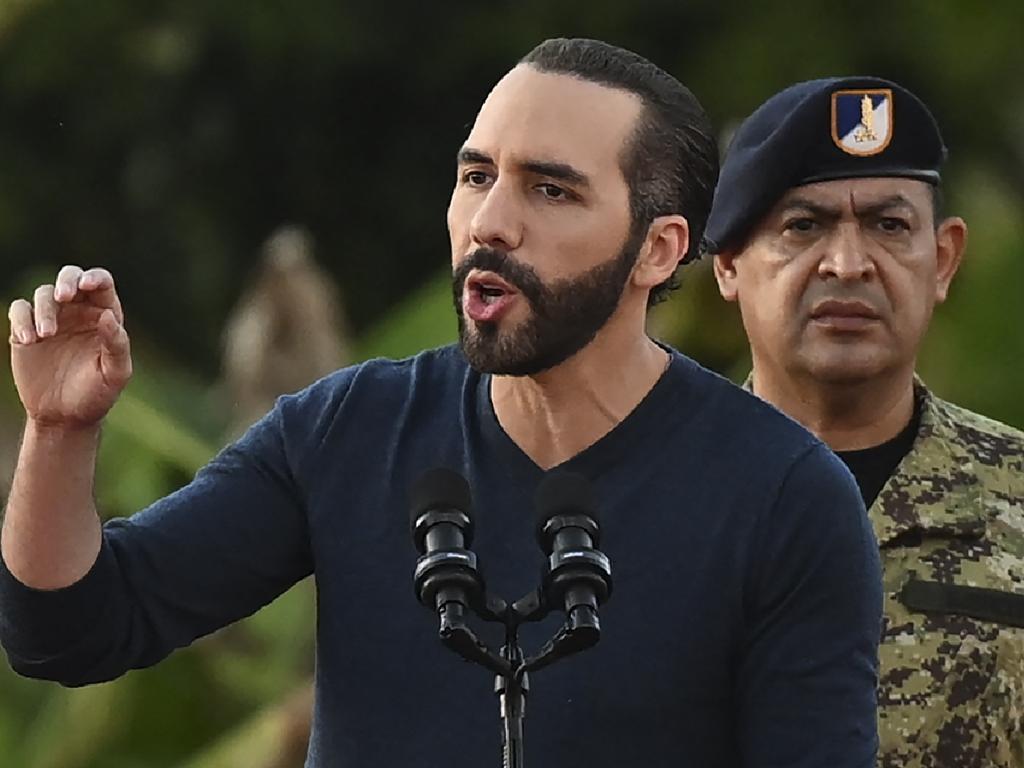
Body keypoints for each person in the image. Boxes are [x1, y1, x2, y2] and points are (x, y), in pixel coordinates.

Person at [1, 40, 882, 767]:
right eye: (475, 177)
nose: (490, 222)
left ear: (657, 250)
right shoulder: (346, 430)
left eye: (551, 189)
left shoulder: (783, 495)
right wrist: (60, 431)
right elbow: (71, 633)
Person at [706, 76, 1024, 767]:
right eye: (803, 226)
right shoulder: (645, 496)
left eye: (889, 225)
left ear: (942, 260)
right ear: (728, 263)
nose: (848, 265)